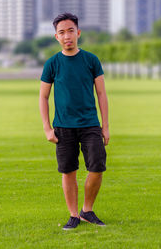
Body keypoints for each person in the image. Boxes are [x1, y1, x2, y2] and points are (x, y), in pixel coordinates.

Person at [39, 13, 109, 230]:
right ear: (56, 37)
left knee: (97, 167)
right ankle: (73, 215)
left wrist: (105, 126)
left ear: (78, 33)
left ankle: (87, 210)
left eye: (70, 30)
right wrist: (47, 128)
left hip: (90, 125)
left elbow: (101, 94)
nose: (67, 35)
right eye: (62, 32)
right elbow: (43, 96)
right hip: (63, 127)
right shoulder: (52, 64)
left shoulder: (91, 60)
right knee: (68, 171)